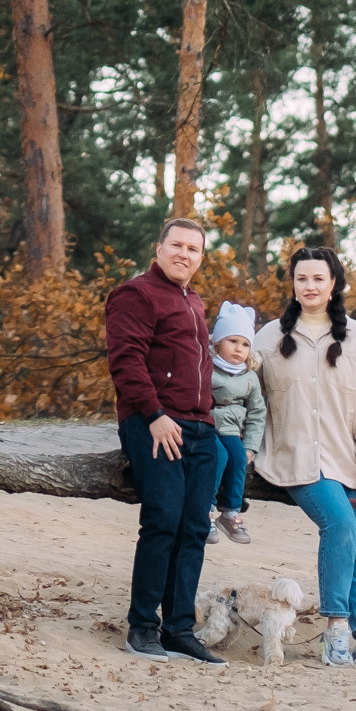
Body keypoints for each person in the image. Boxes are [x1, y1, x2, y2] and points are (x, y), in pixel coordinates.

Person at [252, 244, 356, 666]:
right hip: (293, 459)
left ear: (334, 284)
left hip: (348, 462)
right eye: (302, 278)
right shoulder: (270, 337)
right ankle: (336, 628)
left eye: (318, 278)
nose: (310, 285)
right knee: (340, 524)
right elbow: (236, 380)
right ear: (293, 284)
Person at [104, 217, 223, 663]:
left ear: (200, 258)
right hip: (153, 422)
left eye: (193, 249)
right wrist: (154, 415)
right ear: (159, 248)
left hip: (199, 428)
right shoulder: (136, 294)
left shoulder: (194, 301)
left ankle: (178, 629)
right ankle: (142, 627)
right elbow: (125, 359)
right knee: (164, 520)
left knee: (195, 528)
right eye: (177, 245)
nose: (184, 254)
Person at [207, 301, 266, 543]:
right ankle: (206, 510)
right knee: (217, 456)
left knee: (239, 458)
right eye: (232, 341)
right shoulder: (207, 369)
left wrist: (251, 446)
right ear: (218, 342)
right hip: (207, 427)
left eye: (244, 344)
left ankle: (230, 513)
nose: (238, 349)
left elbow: (257, 413)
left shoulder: (250, 377)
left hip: (232, 431)